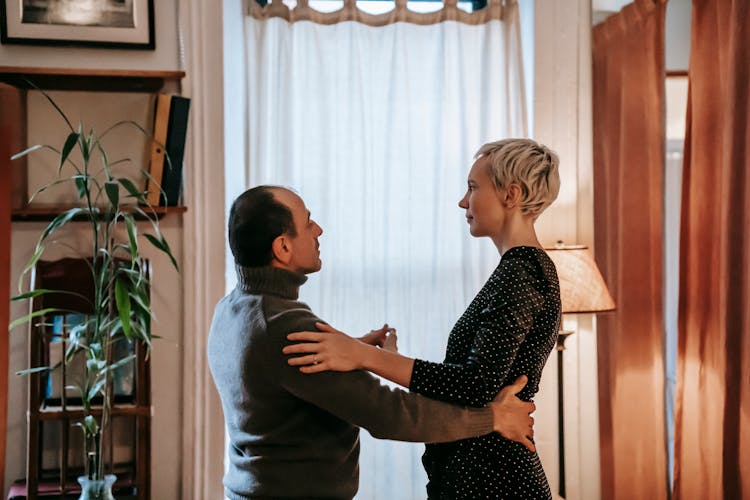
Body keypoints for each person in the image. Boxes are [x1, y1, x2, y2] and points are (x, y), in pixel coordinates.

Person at [207, 185, 537, 500]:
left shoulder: (233, 308)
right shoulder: (285, 328)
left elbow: (276, 375)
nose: (318, 230)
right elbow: (390, 413)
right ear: (283, 247)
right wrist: (495, 418)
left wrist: (357, 347)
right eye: (307, 223)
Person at [284, 138, 562, 499]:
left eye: (473, 188)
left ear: (510, 195)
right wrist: (388, 358)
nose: (463, 201)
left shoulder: (522, 272)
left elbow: (476, 384)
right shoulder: (520, 270)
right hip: (481, 472)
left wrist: (361, 355)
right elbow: (474, 384)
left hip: (495, 478)